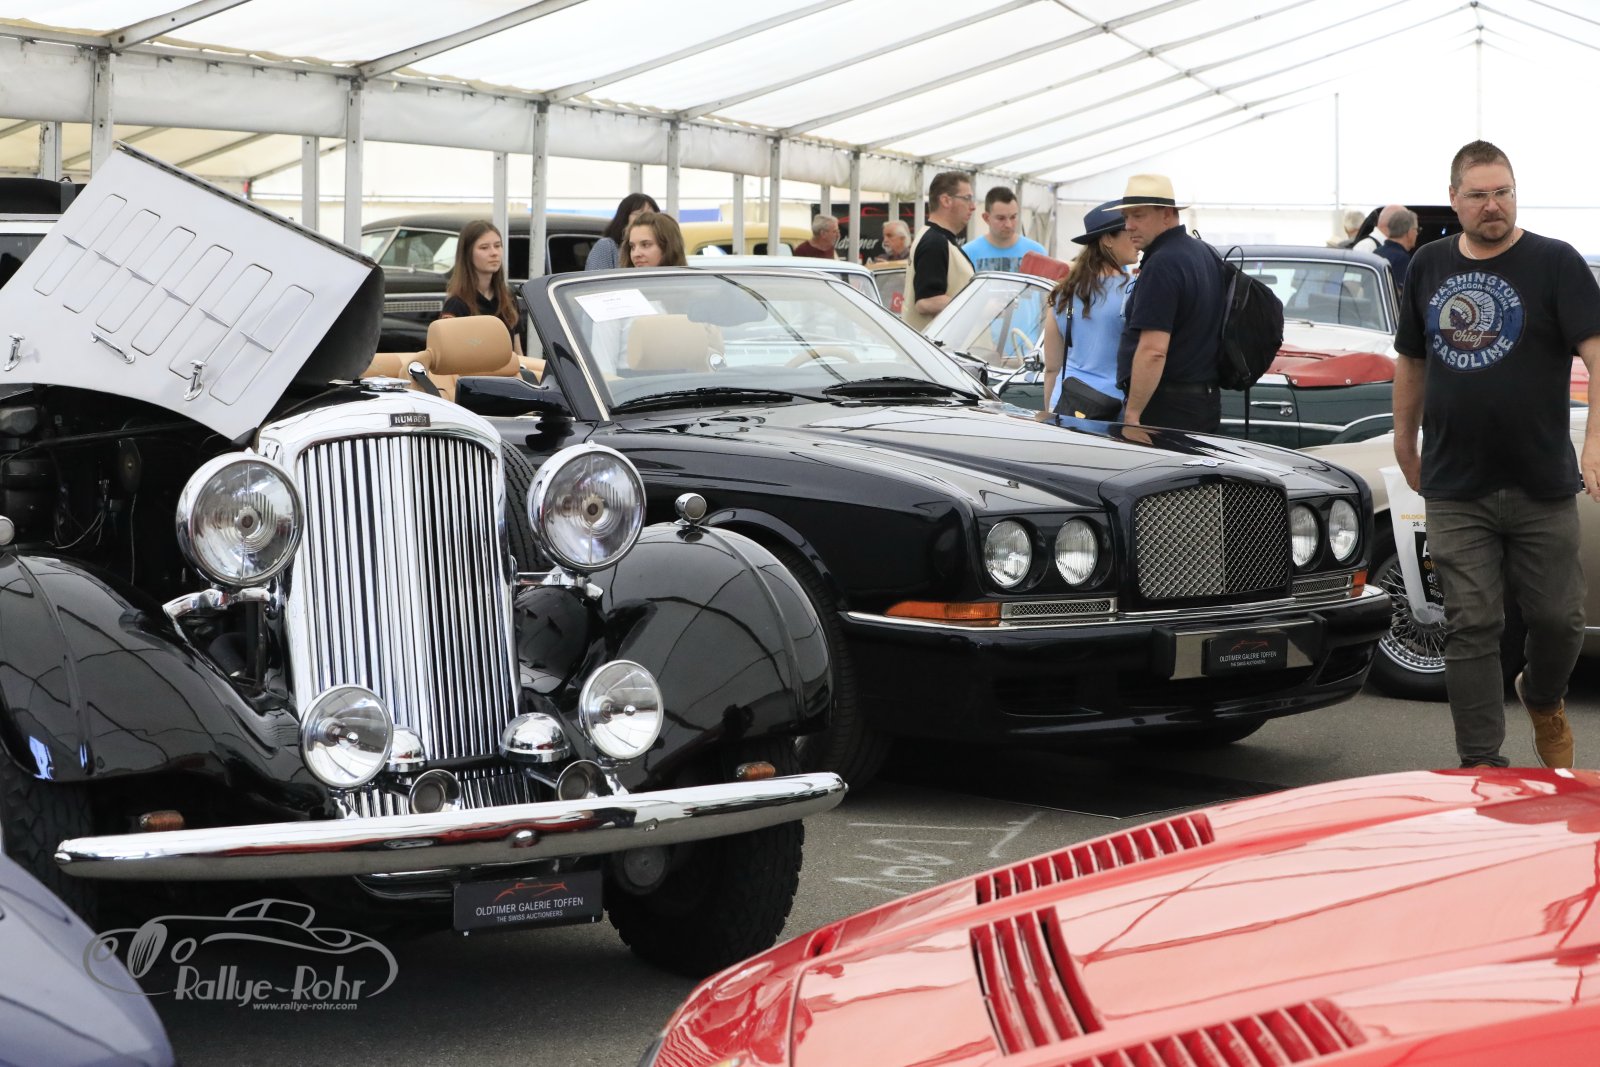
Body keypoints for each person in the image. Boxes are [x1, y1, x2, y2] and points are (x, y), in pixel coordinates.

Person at [1392, 139, 1600, 771]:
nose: (1493, 206)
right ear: (1454, 199)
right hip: (1456, 483)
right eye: (1479, 195)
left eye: (1503, 192)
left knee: (1559, 619)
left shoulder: (1556, 262)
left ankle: (1542, 696)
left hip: (1542, 481)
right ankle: (1480, 764)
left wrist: (1595, 441)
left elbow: (1597, 356)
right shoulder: (1428, 265)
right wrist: (1404, 439)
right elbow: (1412, 361)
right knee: (1472, 624)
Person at [1106, 174, 1223, 432]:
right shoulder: (1204, 252)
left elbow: (1154, 350)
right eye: (1126, 217)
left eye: (1138, 216)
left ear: (1167, 214)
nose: (1128, 226)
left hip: (1167, 408)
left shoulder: (1163, 263)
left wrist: (1133, 415)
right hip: (1203, 402)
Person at [1036, 202, 1137, 423]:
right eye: (1128, 230)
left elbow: (1052, 368)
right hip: (1113, 410)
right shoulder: (1134, 289)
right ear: (1107, 239)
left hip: (1067, 404)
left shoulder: (1064, 292)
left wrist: (1051, 411)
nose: (1136, 236)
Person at [902, 171, 975, 331]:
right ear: (946, 200)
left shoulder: (937, 239)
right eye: (967, 198)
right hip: (937, 344)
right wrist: (977, 305)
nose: (973, 206)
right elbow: (926, 302)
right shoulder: (935, 242)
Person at [439, 219, 522, 356]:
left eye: (497, 246)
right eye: (484, 248)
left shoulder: (508, 297)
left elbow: (518, 353)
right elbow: (450, 358)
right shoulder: (456, 305)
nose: (494, 253)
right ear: (467, 254)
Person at [959, 187, 1047, 273]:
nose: (1008, 225)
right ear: (986, 218)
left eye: (1013, 217)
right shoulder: (967, 254)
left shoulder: (1037, 253)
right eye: (1001, 218)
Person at [585, 193, 660, 270]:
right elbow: (597, 276)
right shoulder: (607, 246)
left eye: (646, 245)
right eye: (639, 214)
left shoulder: (662, 244)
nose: (646, 219)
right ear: (625, 217)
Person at [622, 211, 687, 268]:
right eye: (632, 247)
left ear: (668, 247)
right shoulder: (622, 278)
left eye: (645, 245)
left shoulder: (688, 278)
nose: (636, 254)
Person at [1376, 206, 1418, 291]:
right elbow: (1399, 293)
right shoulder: (1401, 258)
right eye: (1416, 229)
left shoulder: (1377, 252)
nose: (1417, 233)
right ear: (1409, 232)